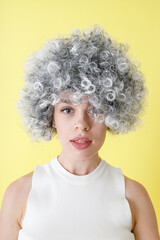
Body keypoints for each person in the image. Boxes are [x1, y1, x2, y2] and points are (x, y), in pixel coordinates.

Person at [0, 24, 159, 240]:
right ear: (50, 116)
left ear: (112, 114)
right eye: (67, 110)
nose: (81, 124)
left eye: (94, 109)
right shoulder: (19, 194)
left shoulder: (133, 196)